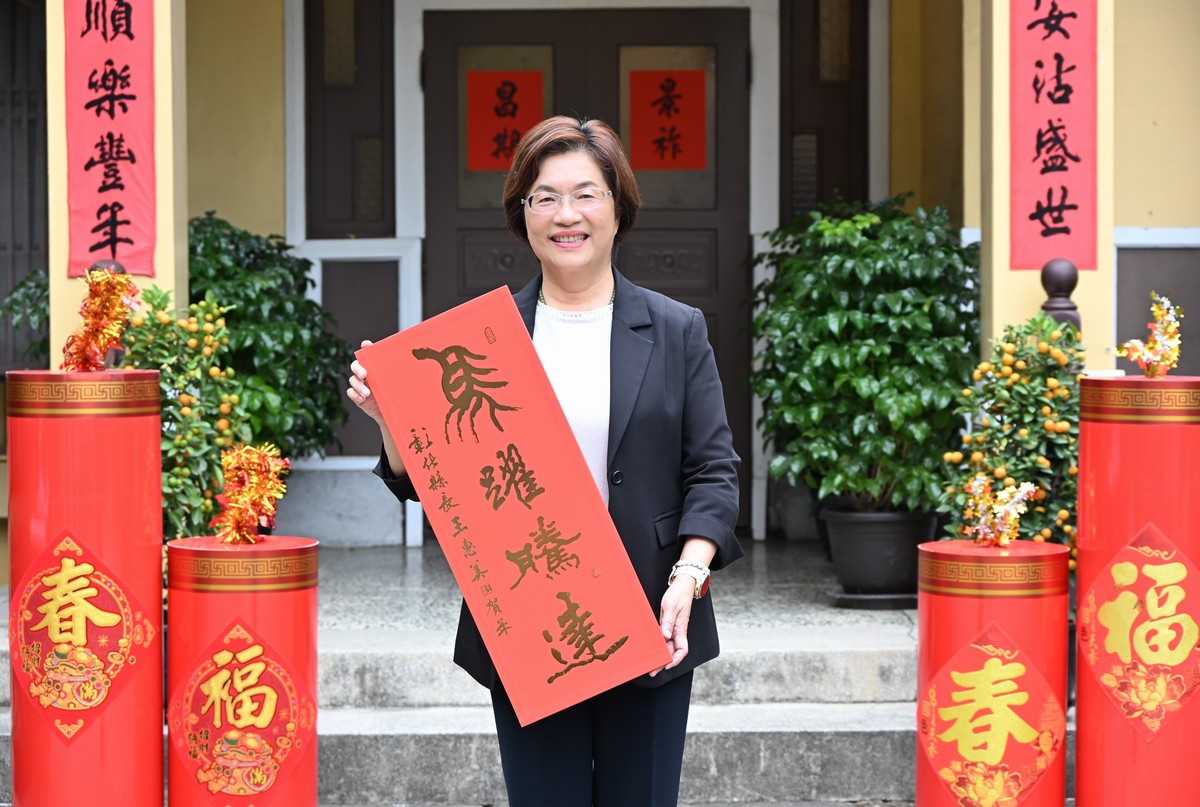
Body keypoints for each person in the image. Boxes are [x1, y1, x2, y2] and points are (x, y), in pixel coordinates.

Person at [346, 115, 741, 807]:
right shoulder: (479, 341)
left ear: (618, 207)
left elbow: (713, 470)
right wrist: (391, 424)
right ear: (521, 213)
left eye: (586, 194)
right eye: (545, 197)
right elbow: (437, 490)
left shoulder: (677, 328)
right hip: (530, 619)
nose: (566, 215)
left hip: (651, 611)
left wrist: (688, 575)